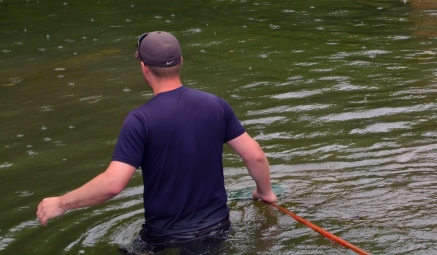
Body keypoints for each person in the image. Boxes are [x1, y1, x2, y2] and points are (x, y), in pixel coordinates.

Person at [36, 31, 277, 252]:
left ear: (144, 68)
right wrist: (265, 193)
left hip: (163, 237)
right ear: (181, 61)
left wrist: (61, 203)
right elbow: (254, 154)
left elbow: (112, 184)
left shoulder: (140, 120)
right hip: (218, 228)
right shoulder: (216, 105)